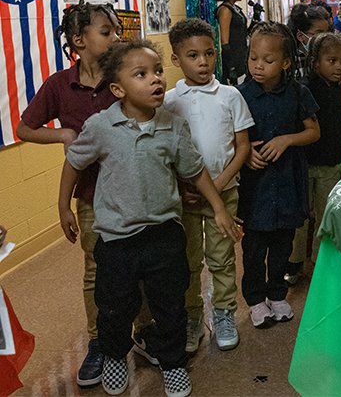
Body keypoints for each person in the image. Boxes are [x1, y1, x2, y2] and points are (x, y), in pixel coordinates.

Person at [59, 39, 237, 397]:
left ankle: (172, 363)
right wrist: (63, 206)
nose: (156, 80)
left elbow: (196, 171)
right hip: (116, 240)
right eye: (141, 74)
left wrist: (219, 207)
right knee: (113, 306)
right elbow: (74, 162)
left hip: (163, 235)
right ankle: (113, 355)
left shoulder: (172, 126)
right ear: (117, 88)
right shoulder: (101, 126)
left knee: (170, 305)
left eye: (157, 72)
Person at [19, 1, 120, 387]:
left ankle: (146, 331)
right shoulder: (59, 85)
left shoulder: (123, 74)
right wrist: (61, 133)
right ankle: (99, 342)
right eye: (106, 31)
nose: (115, 37)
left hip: (136, 190)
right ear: (79, 40)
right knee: (97, 269)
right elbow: (26, 127)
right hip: (92, 194)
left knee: (140, 265)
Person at [162, 18, 255, 353]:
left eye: (208, 53)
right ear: (176, 60)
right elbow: (165, 151)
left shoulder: (230, 96)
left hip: (224, 191)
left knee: (222, 257)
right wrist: (180, 183)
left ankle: (225, 313)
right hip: (183, 197)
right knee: (187, 260)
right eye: (192, 55)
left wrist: (217, 183)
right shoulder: (169, 101)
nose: (202, 62)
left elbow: (242, 146)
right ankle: (192, 316)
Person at [236, 22, 321, 329]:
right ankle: (256, 300)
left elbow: (314, 131)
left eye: (268, 60)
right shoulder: (239, 95)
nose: (258, 66)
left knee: (283, 243)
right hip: (255, 186)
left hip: (287, 181)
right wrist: (245, 154)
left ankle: (277, 294)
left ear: (285, 62)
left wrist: (287, 139)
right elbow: (231, 139)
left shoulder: (298, 93)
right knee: (254, 247)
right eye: (253, 58)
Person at [286, 33, 341, 286]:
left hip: (331, 166)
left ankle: (319, 261)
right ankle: (294, 263)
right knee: (300, 217)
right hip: (303, 165)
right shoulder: (302, 91)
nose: (338, 67)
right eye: (331, 60)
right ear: (315, 62)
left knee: (326, 215)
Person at [210, 0, 250, 85]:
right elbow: (225, 42)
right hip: (233, 57)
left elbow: (243, 32)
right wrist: (231, 67)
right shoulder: (225, 10)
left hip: (242, 54)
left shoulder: (236, 8)